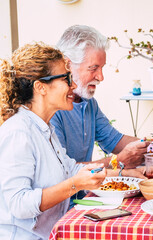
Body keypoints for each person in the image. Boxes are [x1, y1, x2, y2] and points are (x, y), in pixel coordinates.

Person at [0, 42, 106, 239]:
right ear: (41, 87)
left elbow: (70, 169)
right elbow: (19, 204)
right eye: (66, 78)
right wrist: (75, 184)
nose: (73, 85)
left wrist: (124, 173)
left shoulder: (45, 128)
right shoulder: (18, 132)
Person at [51, 25, 149, 204]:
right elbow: (64, 170)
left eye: (102, 68)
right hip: (63, 207)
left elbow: (114, 140)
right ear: (67, 64)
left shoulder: (88, 103)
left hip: (86, 198)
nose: (101, 77)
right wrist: (117, 162)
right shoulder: (52, 109)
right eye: (93, 68)